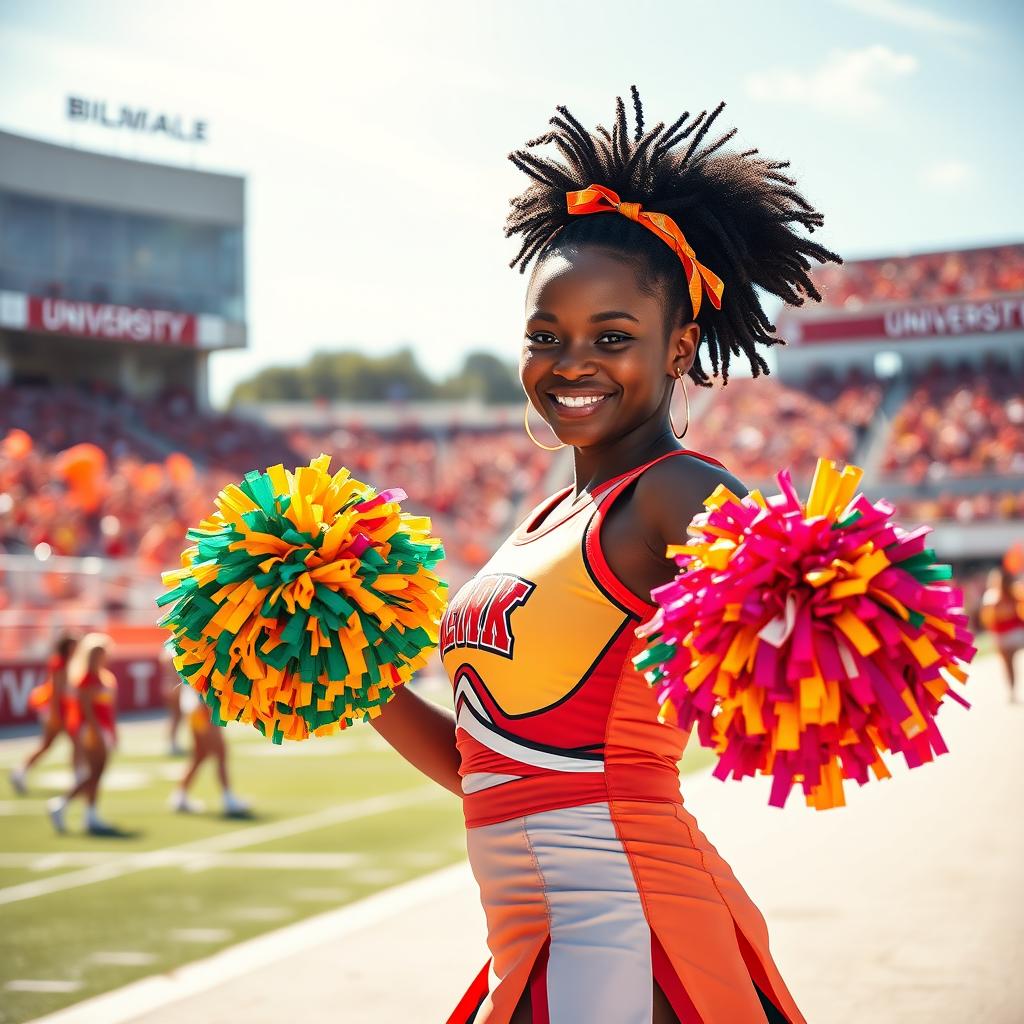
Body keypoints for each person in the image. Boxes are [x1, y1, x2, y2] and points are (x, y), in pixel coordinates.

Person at [371, 90, 840, 1023]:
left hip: (633, 937)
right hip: (531, 941)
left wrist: (820, 616)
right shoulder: (545, 514)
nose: (570, 361)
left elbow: (802, 594)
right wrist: (351, 678)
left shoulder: (676, 492)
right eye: (547, 336)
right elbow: (489, 769)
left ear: (681, 349)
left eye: (612, 337)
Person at [47, 632, 120, 835]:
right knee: (95, 772)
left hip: (102, 729)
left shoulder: (105, 677)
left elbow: (110, 710)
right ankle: (62, 804)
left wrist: (112, 732)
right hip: (91, 730)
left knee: (97, 773)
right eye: (97, 653)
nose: (102, 657)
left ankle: (90, 814)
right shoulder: (86, 678)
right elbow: (86, 709)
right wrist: (96, 731)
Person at [9, 634, 79, 795]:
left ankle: (20, 772)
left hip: (62, 709)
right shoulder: (60, 663)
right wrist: (56, 715)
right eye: (73, 645)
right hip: (57, 710)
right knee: (70, 743)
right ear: (66, 646)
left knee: (54, 744)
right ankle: (77, 778)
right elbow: (57, 692)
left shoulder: (69, 662)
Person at [168, 683, 251, 817]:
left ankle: (180, 796)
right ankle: (228, 798)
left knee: (200, 755)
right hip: (201, 709)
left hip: (195, 709)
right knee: (221, 752)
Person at [980, 566, 1024, 701]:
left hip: (1005, 635)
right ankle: (1012, 689)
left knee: (1008, 664)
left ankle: (1012, 689)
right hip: (1011, 634)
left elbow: (987, 619)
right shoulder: (1004, 595)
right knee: (1009, 663)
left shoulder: (997, 597)